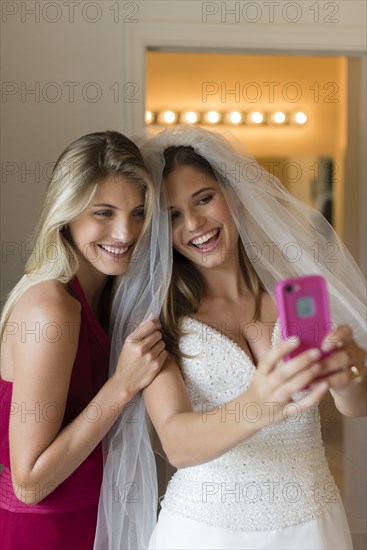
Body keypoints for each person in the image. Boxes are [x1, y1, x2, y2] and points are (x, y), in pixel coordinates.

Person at [133, 125, 366, 550]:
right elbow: (177, 443)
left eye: (204, 199)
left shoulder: (297, 295)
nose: (195, 223)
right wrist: (260, 402)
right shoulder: (159, 318)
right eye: (173, 216)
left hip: (311, 522)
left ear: (233, 194)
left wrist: (349, 378)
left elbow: (357, 406)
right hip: (205, 529)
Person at [0, 130, 169, 550]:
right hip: (49, 533)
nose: (125, 232)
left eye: (138, 213)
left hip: (97, 520)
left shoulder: (109, 297)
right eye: (104, 212)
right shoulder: (50, 310)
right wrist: (122, 385)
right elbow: (31, 482)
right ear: (66, 214)